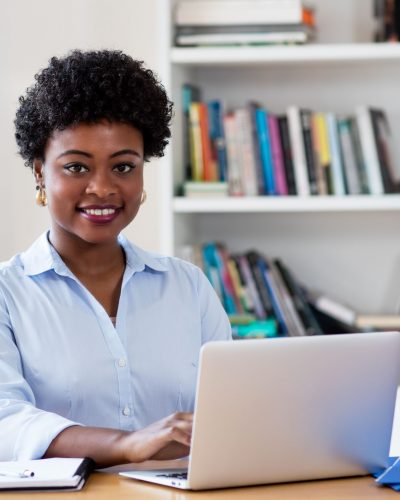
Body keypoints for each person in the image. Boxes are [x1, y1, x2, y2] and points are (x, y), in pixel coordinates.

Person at [0, 50, 231, 466]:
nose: (102, 189)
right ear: (39, 171)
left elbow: (232, 407)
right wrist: (126, 444)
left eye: (123, 167)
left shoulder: (188, 286)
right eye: (76, 168)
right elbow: (5, 422)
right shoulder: (7, 293)